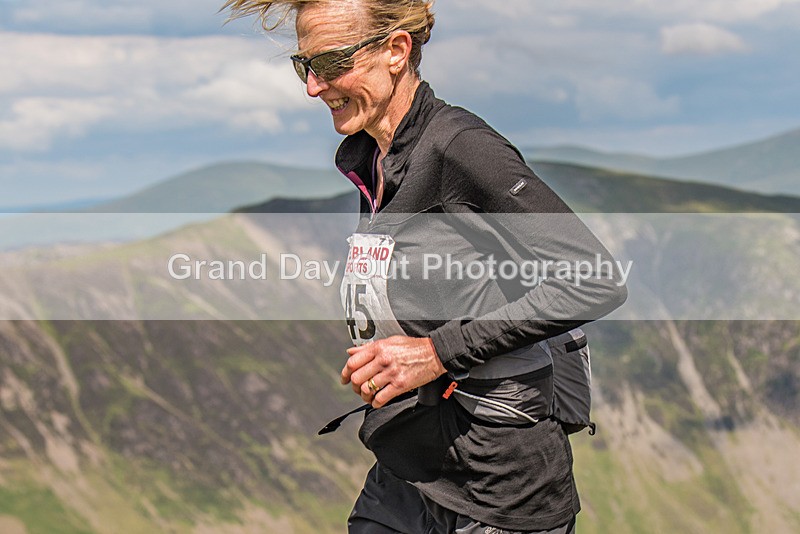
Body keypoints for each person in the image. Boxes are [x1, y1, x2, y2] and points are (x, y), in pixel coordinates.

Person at [223, 1, 628, 532]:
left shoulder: (461, 148)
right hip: (408, 467)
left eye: (331, 64)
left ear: (396, 50)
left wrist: (436, 353)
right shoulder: (374, 158)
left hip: (498, 489)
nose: (313, 88)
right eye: (305, 66)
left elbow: (595, 279)